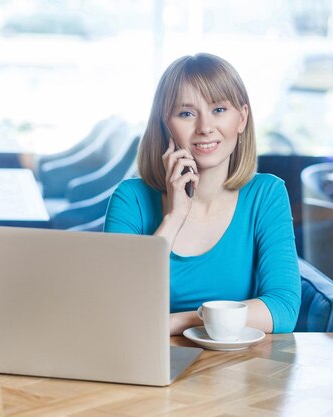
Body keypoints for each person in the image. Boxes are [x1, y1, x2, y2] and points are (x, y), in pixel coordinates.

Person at [104, 53, 300, 335]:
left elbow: (282, 309)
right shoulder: (130, 199)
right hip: (149, 362)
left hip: (239, 368)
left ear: (242, 118)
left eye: (219, 109)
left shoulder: (266, 195)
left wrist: (179, 321)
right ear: (164, 124)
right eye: (186, 114)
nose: (205, 128)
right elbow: (117, 308)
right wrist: (174, 216)